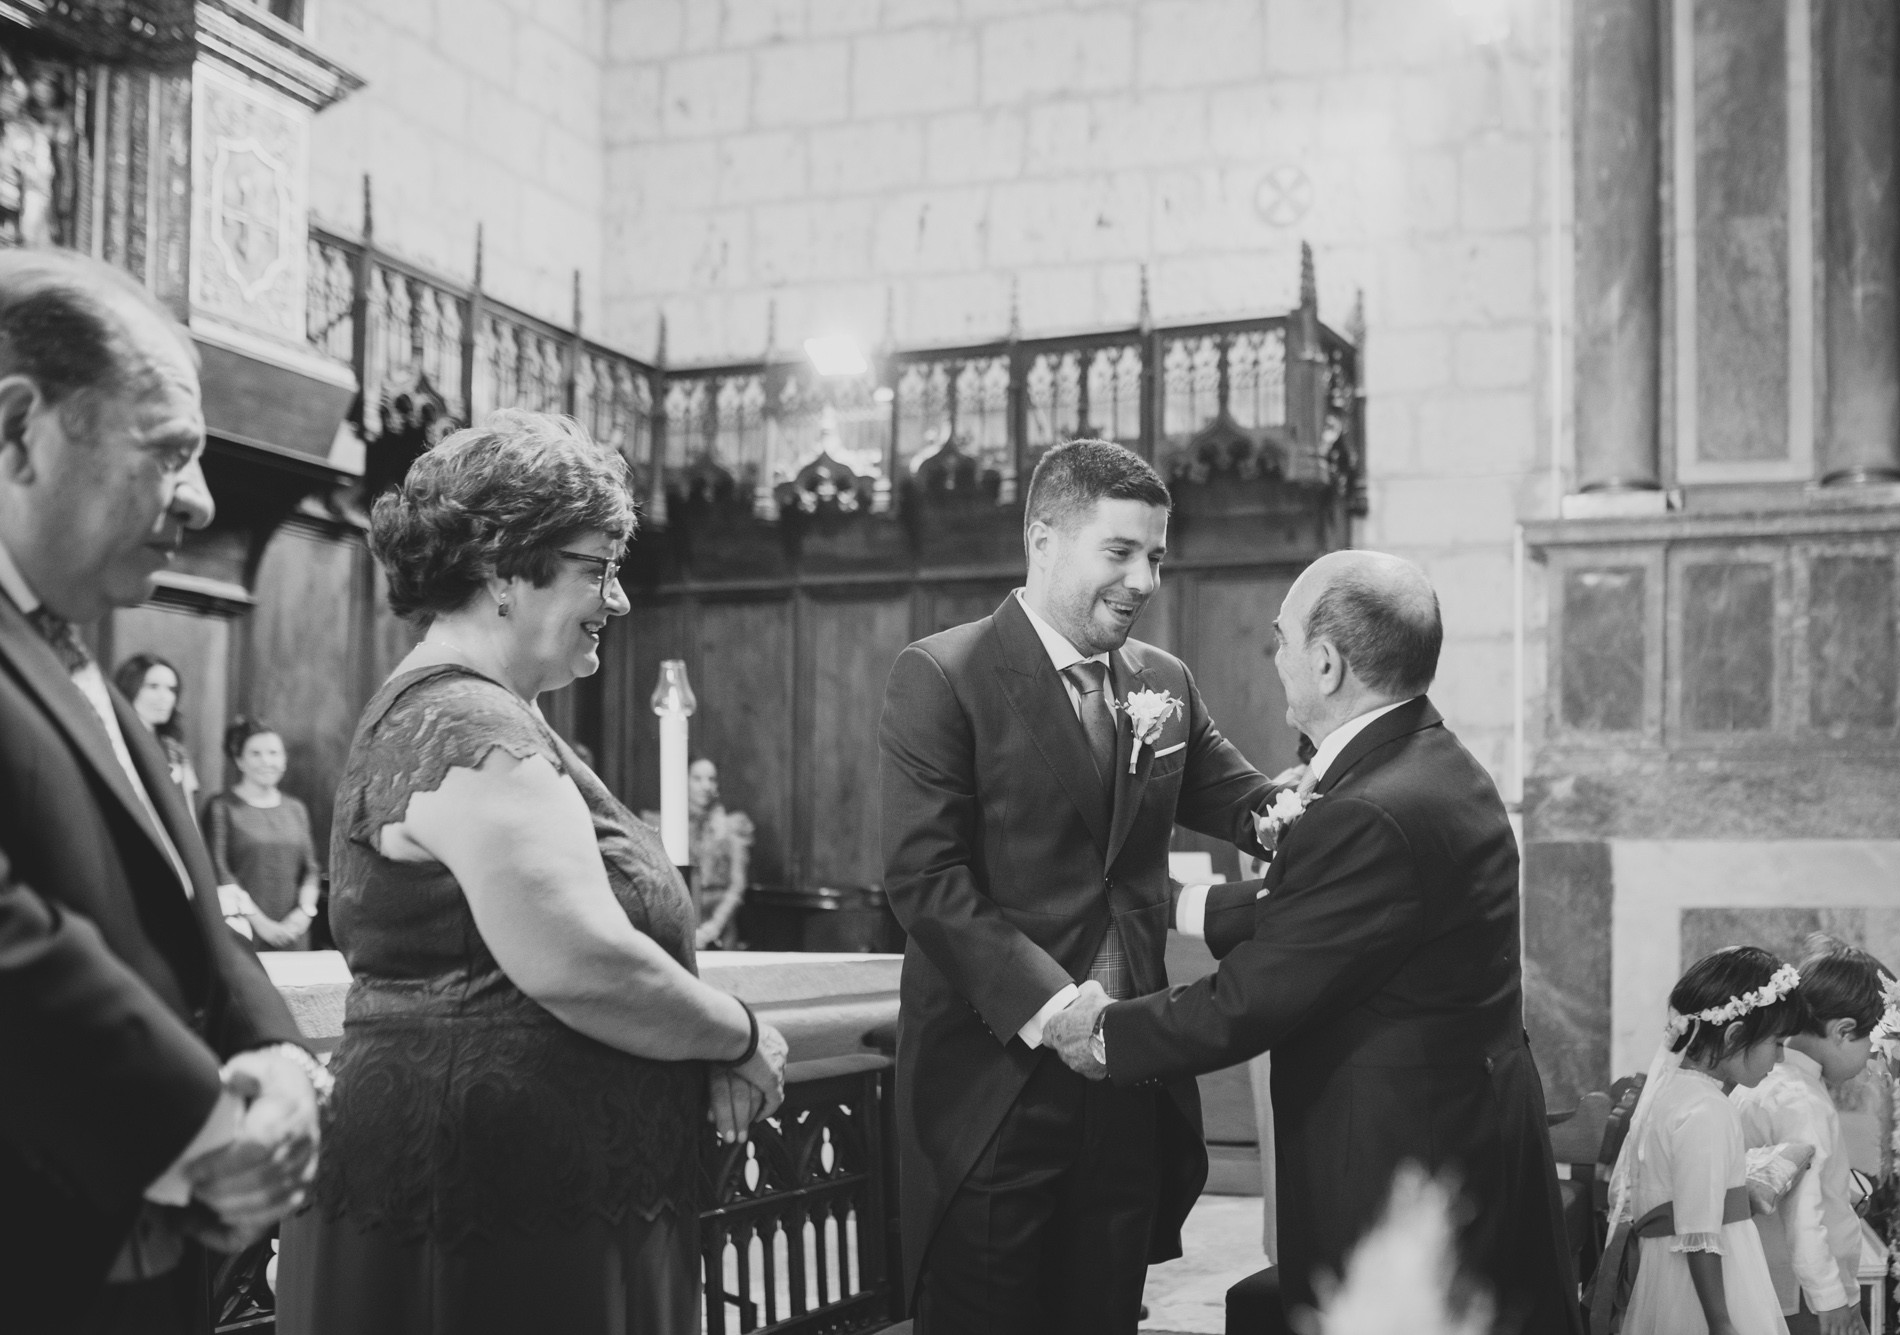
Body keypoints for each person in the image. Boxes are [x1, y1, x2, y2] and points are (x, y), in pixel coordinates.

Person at [281, 410, 787, 1335]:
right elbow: (579, 960)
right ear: (501, 572)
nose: (619, 599)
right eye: (596, 568)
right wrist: (740, 1035)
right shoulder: (474, 732)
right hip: (489, 1216)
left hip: (514, 1190)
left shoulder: (475, 716)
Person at [1047, 550, 1585, 1334]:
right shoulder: (1434, 764)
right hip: (1465, 1129)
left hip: (1400, 1166)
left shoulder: (1369, 809)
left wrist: (1102, 1034)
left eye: (1282, 639)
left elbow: (1250, 1001)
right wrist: (1164, 901)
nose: (1277, 658)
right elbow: (1322, 918)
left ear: (1327, 663)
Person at [878, 438, 1281, 1334]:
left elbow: (1248, 801)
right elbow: (926, 881)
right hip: (997, 1081)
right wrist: (1054, 1007)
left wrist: (1331, 792)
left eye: (1157, 557)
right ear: (1043, 541)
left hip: (1125, 1078)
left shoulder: (1162, 683)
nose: (1144, 580)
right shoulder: (945, 674)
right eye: (1121, 552)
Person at [0, 247, 322, 1332]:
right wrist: (204, 1130)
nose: (200, 498)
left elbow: (188, 906)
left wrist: (274, 1054)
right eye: (168, 452)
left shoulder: (78, 646)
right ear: (18, 431)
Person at [1602, 947, 1811, 1335]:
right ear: (1735, 1035)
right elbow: (1699, 1234)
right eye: (1777, 1043)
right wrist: (1720, 1322)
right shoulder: (1706, 1110)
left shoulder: (1673, 1094)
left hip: (1669, 1273)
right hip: (1707, 1289)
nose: (1779, 1059)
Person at [1733, 937, 1889, 1335]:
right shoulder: (1800, 1098)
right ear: (1843, 1031)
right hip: (1800, 1290)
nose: (1868, 1065)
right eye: (1871, 1051)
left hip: (1777, 1276)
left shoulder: (1776, 1080)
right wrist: (1831, 1299)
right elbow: (1805, 1212)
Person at [202, 717, 319, 951]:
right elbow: (219, 871)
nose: (267, 761)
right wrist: (261, 923)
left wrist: (305, 912)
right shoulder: (221, 807)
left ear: (284, 760)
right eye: (256, 754)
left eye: (274, 753)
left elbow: (310, 869)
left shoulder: (295, 808)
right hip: (243, 932)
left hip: (294, 934)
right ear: (239, 761)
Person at [113, 651, 199, 817]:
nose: (164, 697)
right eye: (153, 687)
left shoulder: (173, 748)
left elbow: (188, 814)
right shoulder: (112, 741)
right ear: (130, 687)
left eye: (171, 689)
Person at [689, 756, 753, 949]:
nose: (705, 786)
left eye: (711, 779)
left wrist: (714, 926)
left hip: (720, 925)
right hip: (685, 917)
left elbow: (737, 885)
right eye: (697, 779)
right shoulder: (670, 825)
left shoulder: (732, 826)